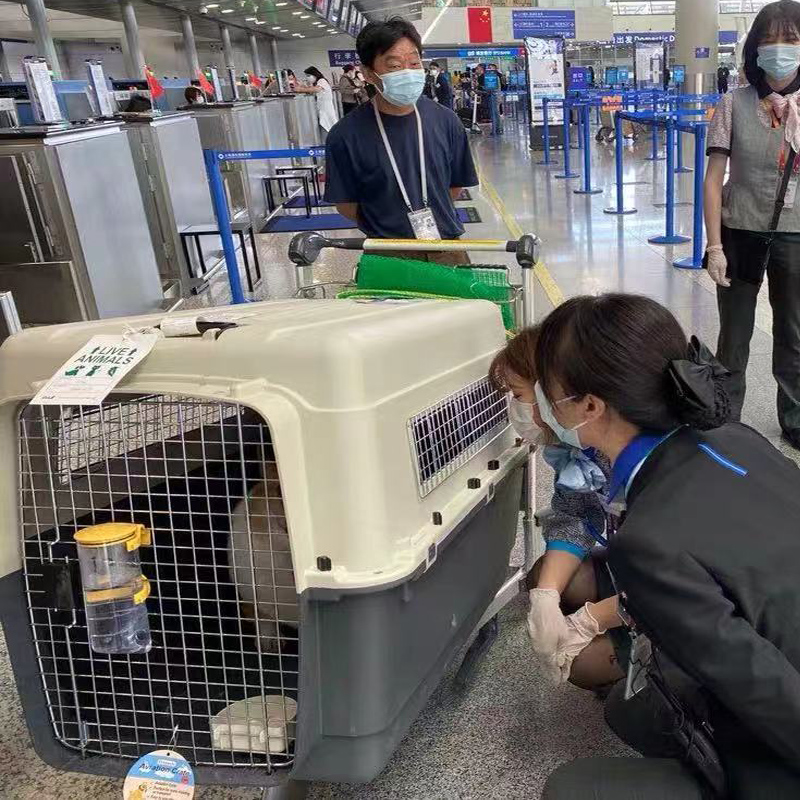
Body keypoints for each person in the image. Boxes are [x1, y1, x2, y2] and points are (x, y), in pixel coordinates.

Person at [514, 294, 800, 799]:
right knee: (632, 711)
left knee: (571, 789)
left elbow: (761, 684)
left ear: (589, 406)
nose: (538, 405)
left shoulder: (650, 540)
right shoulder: (733, 437)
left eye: (547, 391)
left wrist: (597, 619)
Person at [489, 329, 628, 691]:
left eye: (519, 396)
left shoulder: (635, 458)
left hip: (685, 599)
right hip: (637, 571)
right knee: (546, 579)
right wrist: (547, 595)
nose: (515, 410)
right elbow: (575, 516)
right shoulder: (583, 447)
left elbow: (679, 582)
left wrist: (592, 619)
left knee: (588, 669)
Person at [705, 0, 800, 449]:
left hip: (796, 233)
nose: (779, 49)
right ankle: (727, 418)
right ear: (755, 49)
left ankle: (795, 417)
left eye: (791, 40)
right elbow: (713, 178)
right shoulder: (732, 103)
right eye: (769, 40)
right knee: (735, 333)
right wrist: (714, 245)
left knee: (794, 331)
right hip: (739, 229)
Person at [324, 17, 479, 264]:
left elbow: (454, 187)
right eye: (395, 66)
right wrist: (389, 224)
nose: (408, 72)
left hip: (447, 248)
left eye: (415, 62)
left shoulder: (446, 121)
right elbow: (346, 204)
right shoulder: (345, 135)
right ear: (368, 73)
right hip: (386, 254)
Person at [293, 66, 339, 139]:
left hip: (326, 108)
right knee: (327, 125)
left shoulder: (322, 80)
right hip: (323, 108)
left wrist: (300, 89)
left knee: (329, 125)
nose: (308, 78)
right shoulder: (318, 82)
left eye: (309, 75)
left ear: (315, 74)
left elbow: (316, 89)